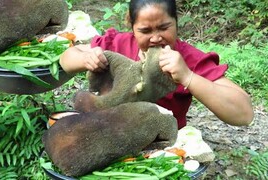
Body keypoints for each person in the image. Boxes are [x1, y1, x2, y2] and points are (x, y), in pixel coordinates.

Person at [59, 0, 254, 129]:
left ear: (176, 22)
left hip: (162, 143)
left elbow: (244, 114)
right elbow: (66, 59)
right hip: (110, 131)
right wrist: (86, 59)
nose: (155, 38)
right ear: (131, 26)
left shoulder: (188, 58)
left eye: (164, 27)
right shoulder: (116, 44)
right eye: (145, 30)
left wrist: (188, 77)